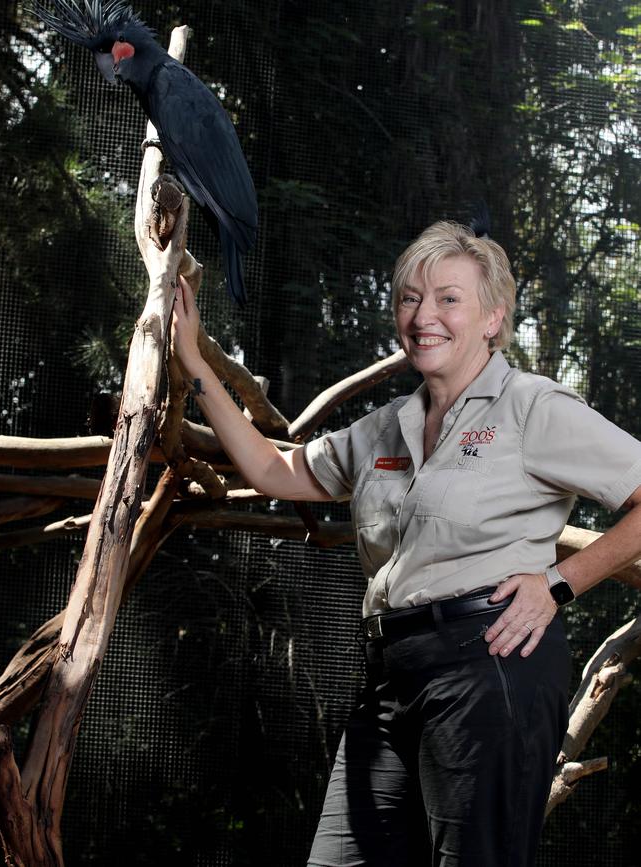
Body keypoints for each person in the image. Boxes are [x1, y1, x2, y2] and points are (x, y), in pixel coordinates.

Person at [171, 221, 641, 867]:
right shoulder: (384, 428)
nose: (424, 315)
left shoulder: (533, 407)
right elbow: (274, 472)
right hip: (392, 668)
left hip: (491, 658)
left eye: (449, 298)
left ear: (493, 319)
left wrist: (561, 582)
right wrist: (195, 362)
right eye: (409, 298)